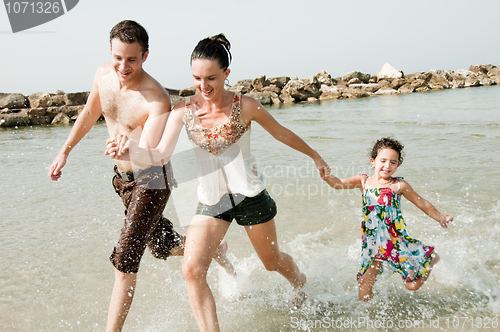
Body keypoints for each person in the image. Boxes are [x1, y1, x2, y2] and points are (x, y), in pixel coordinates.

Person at [106, 33, 330, 332]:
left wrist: (315, 156)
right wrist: (129, 151)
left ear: (226, 73)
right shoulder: (183, 111)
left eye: (211, 78)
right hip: (213, 200)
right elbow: (159, 155)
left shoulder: (245, 106)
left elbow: (282, 133)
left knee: (271, 261)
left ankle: (299, 282)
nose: (203, 86)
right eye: (197, 78)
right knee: (192, 269)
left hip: (249, 195)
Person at [48, 21, 233, 332]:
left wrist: (128, 148)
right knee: (160, 244)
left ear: (145, 55)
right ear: (110, 51)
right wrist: (64, 151)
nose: (124, 66)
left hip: (150, 180)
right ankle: (210, 249)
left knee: (125, 259)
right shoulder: (102, 75)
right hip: (122, 180)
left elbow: (150, 152)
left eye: (132, 59)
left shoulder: (155, 97)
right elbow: (90, 113)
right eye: (118, 57)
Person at [325, 137, 453, 301]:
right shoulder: (363, 181)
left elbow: (422, 203)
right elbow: (338, 184)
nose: (387, 166)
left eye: (393, 162)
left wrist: (440, 217)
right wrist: (326, 175)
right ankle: (367, 320)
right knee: (365, 284)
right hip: (372, 243)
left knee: (412, 285)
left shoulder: (399, 185)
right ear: (373, 161)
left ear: (398, 165)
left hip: (394, 242)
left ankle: (430, 259)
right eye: (383, 161)